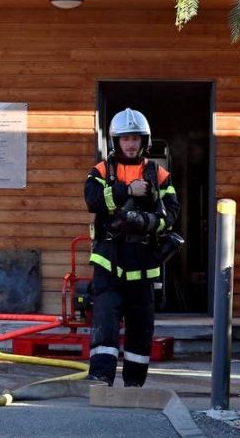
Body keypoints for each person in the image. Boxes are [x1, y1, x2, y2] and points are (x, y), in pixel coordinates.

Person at [84, 108, 180, 387]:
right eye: (125, 138)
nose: (130, 144)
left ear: (144, 140)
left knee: (141, 327)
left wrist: (149, 221)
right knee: (106, 321)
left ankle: (135, 382)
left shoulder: (159, 175)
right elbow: (92, 201)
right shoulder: (102, 170)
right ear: (115, 141)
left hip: (143, 262)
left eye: (135, 138)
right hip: (108, 259)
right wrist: (127, 191)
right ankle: (101, 376)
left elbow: (172, 213)